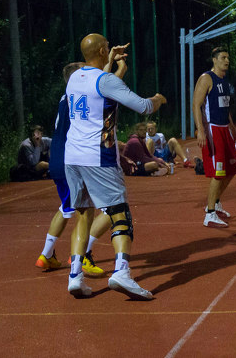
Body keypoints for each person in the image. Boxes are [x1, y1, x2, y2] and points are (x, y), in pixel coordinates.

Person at [64, 33, 166, 299]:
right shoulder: (105, 80)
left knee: (83, 214)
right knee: (119, 211)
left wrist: (110, 63)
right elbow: (143, 107)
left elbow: (99, 86)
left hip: (72, 156)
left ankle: (75, 275)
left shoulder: (75, 78)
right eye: (107, 46)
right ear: (100, 51)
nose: (110, 48)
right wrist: (158, 99)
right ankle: (121, 271)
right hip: (98, 155)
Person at [35, 61, 112, 277]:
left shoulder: (65, 97)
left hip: (57, 160)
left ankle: (46, 255)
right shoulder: (81, 96)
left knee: (66, 207)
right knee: (109, 208)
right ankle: (82, 256)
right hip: (74, 160)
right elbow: (102, 86)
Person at [193, 46, 236, 228]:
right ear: (214, 60)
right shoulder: (206, 78)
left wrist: (233, 128)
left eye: (228, 58)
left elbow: (225, 108)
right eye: (223, 58)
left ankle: (216, 202)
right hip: (212, 129)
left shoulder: (225, 81)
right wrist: (201, 130)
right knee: (219, 173)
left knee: (232, 169)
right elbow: (196, 105)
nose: (226, 61)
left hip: (225, 129)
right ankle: (210, 213)